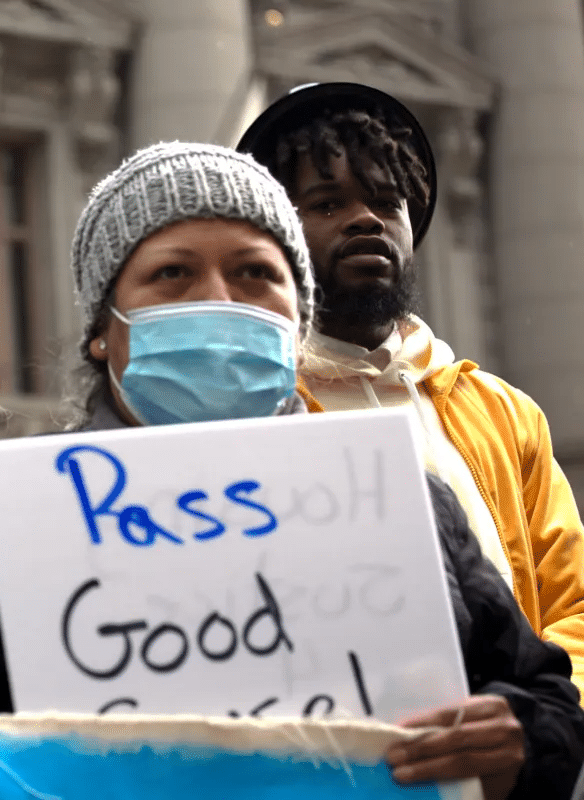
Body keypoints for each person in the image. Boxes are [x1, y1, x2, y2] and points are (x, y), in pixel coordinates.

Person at [0, 143, 584, 799]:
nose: (218, 300)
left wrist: (519, 733)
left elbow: (545, 701)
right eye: (172, 274)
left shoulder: (404, 496)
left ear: (295, 320)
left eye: (254, 274)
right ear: (105, 328)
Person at [236, 82, 584, 698]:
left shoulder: (506, 415)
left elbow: (573, 606)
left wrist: (538, 724)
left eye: (387, 201)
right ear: (275, 235)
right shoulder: (243, 413)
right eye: (326, 204)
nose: (366, 219)